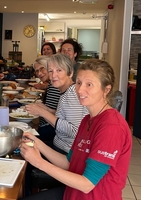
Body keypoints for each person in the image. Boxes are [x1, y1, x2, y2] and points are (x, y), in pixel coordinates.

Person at [20, 59, 132, 200]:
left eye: (89, 84)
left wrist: (39, 163)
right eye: (78, 83)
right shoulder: (87, 119)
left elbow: (87, 184)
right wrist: (36, 142)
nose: (80, 90)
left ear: (106, 89)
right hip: (71, 193)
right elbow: (69, 163)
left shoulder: (112, 127)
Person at [25, 54, 88, 154]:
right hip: (59, 146)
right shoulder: (66, 91)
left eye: (59, 70)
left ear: (70, 73)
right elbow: (65, 118)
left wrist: (43, 113)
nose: (53, 75)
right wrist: (48, 110)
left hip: (67, 152)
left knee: (23, 151)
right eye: (50, 71)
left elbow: (75, 131)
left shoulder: (72, 94)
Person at [31, 56, 61, 142]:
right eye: (37, 71)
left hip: (50, 130)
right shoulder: (51, 84)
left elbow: (55, 114)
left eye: (42, 69)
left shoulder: (54, 85)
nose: (39, 73)